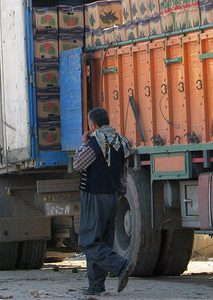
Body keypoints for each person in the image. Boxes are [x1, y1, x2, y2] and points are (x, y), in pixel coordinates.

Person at [73, 107, 131, 296]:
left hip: (94, 195)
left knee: (88, 241)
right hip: (112, 196)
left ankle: (120, 266)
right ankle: (96, 286)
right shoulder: (120, 142)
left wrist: (83, 143)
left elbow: (78, 165)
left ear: (93, 125)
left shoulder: (94, 142)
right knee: (102, 242)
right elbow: (123, 172)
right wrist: (119, 193)